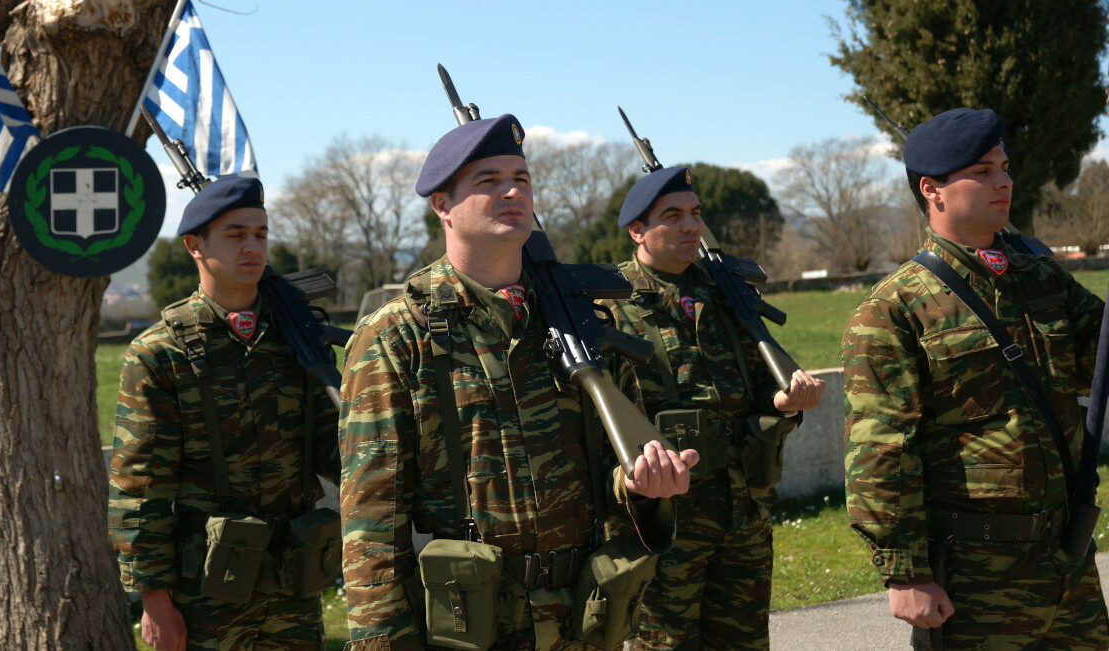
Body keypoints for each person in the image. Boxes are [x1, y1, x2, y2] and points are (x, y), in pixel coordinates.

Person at [337, 114, 698, 650]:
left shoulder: (581, 321)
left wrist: (644, 488)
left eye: (522, 178)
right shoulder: (397, 336)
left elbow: (611, 472)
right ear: (442, 205)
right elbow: (372, 525)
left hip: (582, 620)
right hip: (469, 626)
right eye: (488, 180)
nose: (513, 191)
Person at [841, 107, 1108, 648]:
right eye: (983, 172)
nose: (1004, 180)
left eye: (1004, 167)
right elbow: (882, 450)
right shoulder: (893, 310)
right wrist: (906, 572)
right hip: (973, 576)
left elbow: (1100, 354)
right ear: (932, 190)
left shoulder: (1040, 275)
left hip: (1066, 560)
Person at [109, 175, 341, 650]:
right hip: (204, 588)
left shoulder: (294, 341)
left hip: (295, 576)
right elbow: (141, 487)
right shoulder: (160, 353)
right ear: (195, 245)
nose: (252, 247)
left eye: (260, 234)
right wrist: (154, 601)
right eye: (235, 235)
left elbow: (332, 447)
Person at [601, 166, 824, 650]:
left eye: (696, 214)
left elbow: (765, 391)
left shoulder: (727, 295)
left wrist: (785, 403)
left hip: (742, 514)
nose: (689, 226)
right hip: (663, 527)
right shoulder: (609, 307)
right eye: (673, 215)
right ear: (637, 229)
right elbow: (594, 424)